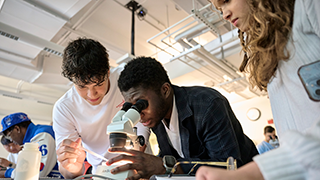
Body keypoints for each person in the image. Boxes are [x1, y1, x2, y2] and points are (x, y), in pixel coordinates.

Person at [196, 0, 320, 179]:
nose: (224, 14)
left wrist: (252, 174)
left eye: (227, 1)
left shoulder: (309, 5)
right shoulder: (270, 49)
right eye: (220, 9)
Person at [106, 56, 258, 180]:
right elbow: (174, 156)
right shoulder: (156, 117)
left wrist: (164, 166)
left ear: (165, 90)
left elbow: (229, 166)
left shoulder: (208, 104)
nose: (139, 114)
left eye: (141, 104)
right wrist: (145, 168)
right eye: (131, 107)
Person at [52, 38, 151, 179]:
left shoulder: (125, 80)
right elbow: (67, 172)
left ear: (108, 72)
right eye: (82, 87)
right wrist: (72, 166)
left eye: (98, 84)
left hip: (141, 164)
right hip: (103, 173)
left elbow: (143, 120)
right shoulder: (64, 108)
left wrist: (138, 151)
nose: (91, 95)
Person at [0, 112, 62, 178]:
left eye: (9, 136)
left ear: (17, 129)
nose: (11, 140)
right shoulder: (34, 137)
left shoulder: (42, 135)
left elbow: (37, 173)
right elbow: (29, 168)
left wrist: (6, 173)